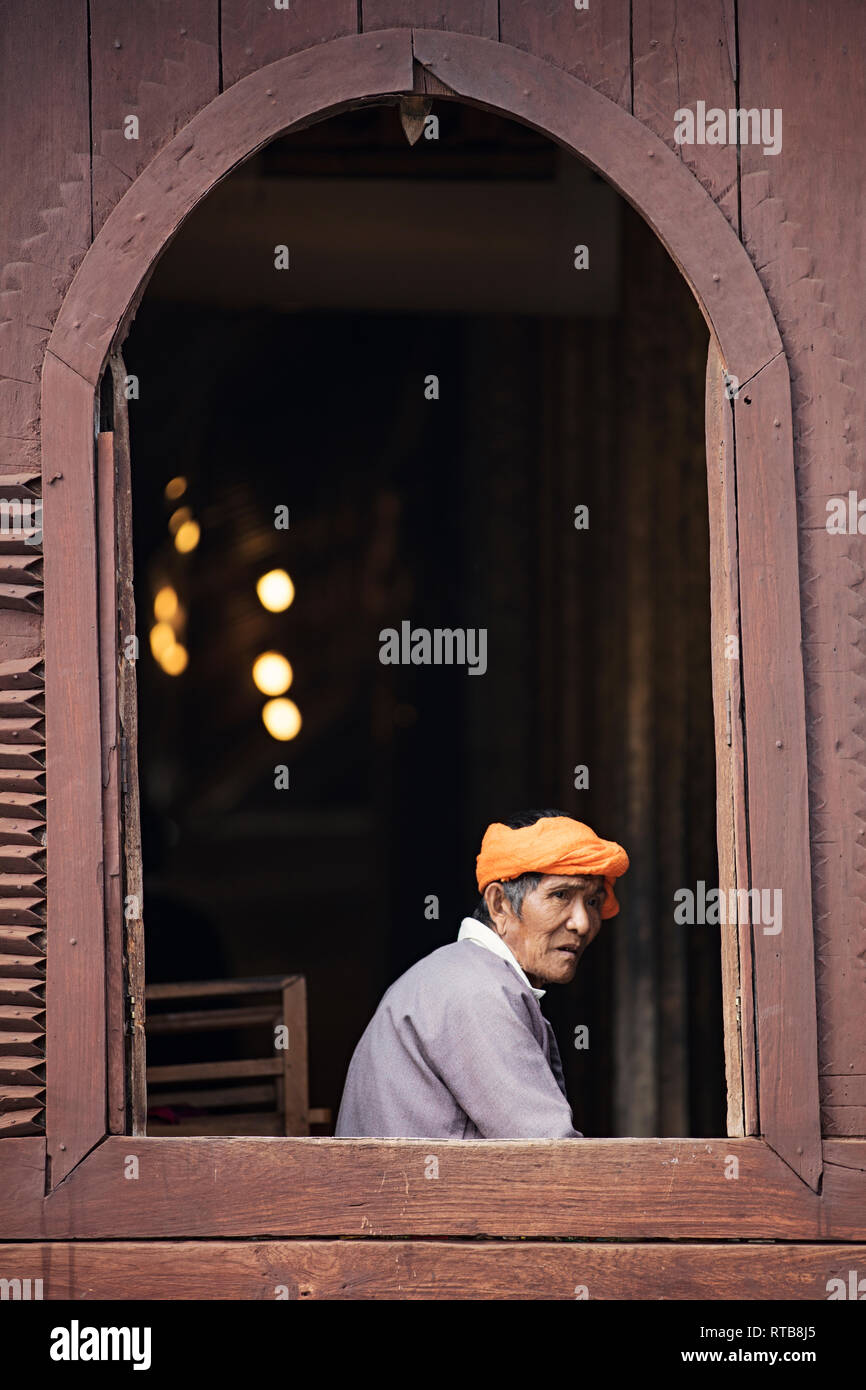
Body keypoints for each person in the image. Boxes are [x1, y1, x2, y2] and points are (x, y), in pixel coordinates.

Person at [335, 809, 629, 1139]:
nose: (583, 923)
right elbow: (548, 1154)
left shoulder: (462, 974)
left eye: (592, 901)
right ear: (499, 905)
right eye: (560, 896)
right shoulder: (476, 991)